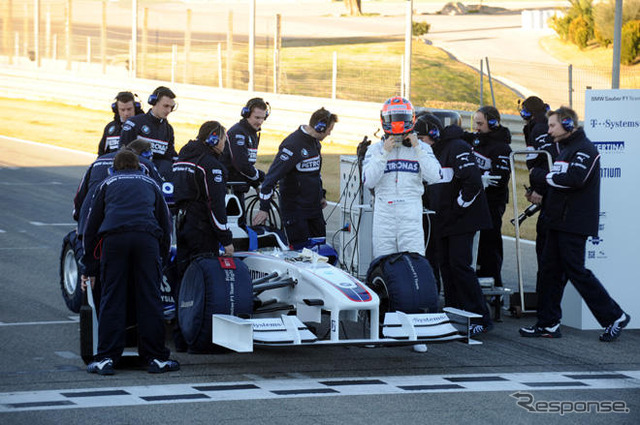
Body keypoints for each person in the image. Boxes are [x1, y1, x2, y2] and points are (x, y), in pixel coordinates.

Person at [519, 107, 630, 341]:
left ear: (568, 125)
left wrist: (544, 177)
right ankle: (548, 323)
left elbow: (574, 180)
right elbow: (558, 183)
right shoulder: (564, 149)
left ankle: (614, 316)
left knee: (576, 271)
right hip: (557, 220)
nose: (548, 131)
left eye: (552, 126)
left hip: (575, 223)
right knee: (549, 272)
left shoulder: (585, 149)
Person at [81, 150, 178, 375]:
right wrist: (161, 259)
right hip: (146, 239)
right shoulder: (151, 183)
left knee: (112, 297)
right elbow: (166, 225)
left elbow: (90, 228)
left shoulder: (106, 183)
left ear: (114, 168)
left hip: (115, 240)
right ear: (139, 167)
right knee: (150, 298)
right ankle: (155, 357)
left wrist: (90, 266)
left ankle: (106, 357)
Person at [418, 113, 494, 336]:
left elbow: (473, 181)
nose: (420, 143)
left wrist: (459, 206)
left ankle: (480, 316)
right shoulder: (431, 151)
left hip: (463, 218)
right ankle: (454, 312)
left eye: (422, 138)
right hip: (444, 218)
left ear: (433, 133)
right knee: (446, 265)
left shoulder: (457, 147)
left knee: (460, 266)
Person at [172, 121, 234, 350]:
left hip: (182, 225)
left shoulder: (182, 158)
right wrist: (226, 239)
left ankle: (181, 338)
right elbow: (215, 206)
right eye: (223, 140)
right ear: (213, 138)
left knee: (183, 282)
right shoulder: (210, 165)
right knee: (202, 285)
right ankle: (199, 339)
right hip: (201, 230)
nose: (224, 145)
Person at [362, 96, 442, 258]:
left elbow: (435, 176)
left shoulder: (422, 148)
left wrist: (418, 148)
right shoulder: (375, 150)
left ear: (410, 118)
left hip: (410, 212)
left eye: (401, 117)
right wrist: (384, 153)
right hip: (384, 213)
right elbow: (368, 180)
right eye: (393, 118)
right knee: (383, 262)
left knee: (414, 261)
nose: (397, 121)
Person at [252, 108, 338, 249]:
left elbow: (316, 173)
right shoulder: (292, 145)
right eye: (329, 129)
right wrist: (264, 208)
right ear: (320, 127)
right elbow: (270, 179)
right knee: (301, 256)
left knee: (321, 251)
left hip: (314, 210)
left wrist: (321, 195)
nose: (329, 133)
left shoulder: (315, 143)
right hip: (296, 213)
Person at [462, 106, 512, 288]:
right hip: (474, 200)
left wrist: (481, 179)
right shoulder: (476, 140)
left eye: (480, 123)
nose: (476, 127)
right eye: (475, 123)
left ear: (492, 123)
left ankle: (494, 283)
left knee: (489, 244)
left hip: (492, 202)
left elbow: (501, 178)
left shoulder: (502, 147)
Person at [73, 139, 163, 239]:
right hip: (127, 225)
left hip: (89, 221)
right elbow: (160, 194)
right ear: (143, 153)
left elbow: (80, 194)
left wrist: (78, 215)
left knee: (87, 251)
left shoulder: (98, 161)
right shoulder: (146, 164)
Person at [220, 97, 269, 224]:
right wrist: (259, 178)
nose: (260, 121)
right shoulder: (238, 133)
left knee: (241, 223)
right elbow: (241, 164)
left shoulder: (252, 133)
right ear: (246, 114)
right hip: (227, 187)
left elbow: (247, 165)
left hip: (238, 186)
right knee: (234, 225)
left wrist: (256, 184)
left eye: (263, 118)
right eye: (257, 117)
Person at [119, 86, 178, 181]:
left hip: (157, 180)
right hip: (134, 177)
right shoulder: (134, 123)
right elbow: (122, 152)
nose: (169, 110)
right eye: (166, 106)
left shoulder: (168, 129)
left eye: (172, 107)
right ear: (154, 103)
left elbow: (169, 157)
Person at [97, 91, 144, 156]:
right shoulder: (110, 128)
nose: (126, 113)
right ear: (116, 110)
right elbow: (101, 154)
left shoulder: (144, 126)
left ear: (135, 108)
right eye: (122, 110)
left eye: (129, 109)